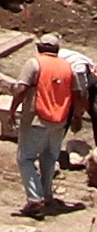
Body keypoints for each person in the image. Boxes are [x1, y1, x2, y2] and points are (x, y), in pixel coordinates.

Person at [8, 33, 84, 218]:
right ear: (57, 50)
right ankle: (47, 195)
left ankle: (34, 199)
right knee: (49, 157)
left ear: (39, 48)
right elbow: (79, 96)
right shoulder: (67, 68)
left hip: (37, 119)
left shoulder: (34, 63)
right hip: (59, 121)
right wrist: (77, 117)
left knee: (25, 158)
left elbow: (21, 88)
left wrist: (12, 110)